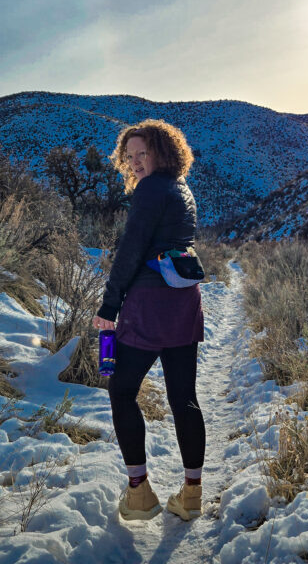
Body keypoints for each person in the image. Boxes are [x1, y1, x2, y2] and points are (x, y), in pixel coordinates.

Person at [92, 119, 205, 522]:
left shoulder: (150, 189)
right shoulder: (181, 189)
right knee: (183, 398)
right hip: (184, 303)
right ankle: (191, 495)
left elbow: (130, 251)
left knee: (121, 392)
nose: (136, 162)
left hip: (148, 306)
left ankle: (139, 495)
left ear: (162, 152)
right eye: (131, 156)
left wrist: (109, 307)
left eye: (144, 154)